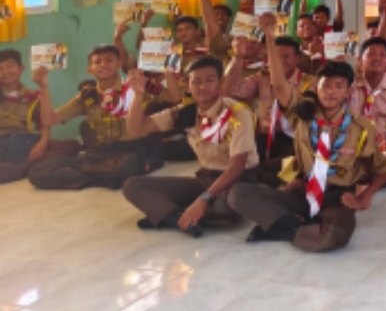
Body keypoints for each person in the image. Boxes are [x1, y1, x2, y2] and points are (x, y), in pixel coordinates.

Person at [227, 23, 386, 252]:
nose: (331, 91)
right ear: (315, 89)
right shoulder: (303, 115)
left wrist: (365, 197)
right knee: (238, 193)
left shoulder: (364, 127)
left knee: (333, 237)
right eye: (325, 85)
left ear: (348, 92)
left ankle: (280, 226)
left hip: (337, 196)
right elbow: (278, 84)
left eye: (338, 86)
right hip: (303, 190)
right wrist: (269, 37)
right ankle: (293, 228)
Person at [121, 57, 258, 236]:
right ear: (188, 85)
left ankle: (167, 214)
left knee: (227, 205)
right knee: (133, 186)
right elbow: (136, 129)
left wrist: (203, 199)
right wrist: (138, 95)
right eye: (196, 81)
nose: (203, 87)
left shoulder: (237, 112)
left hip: (237, 182)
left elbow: (237, 167)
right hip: (205, 179)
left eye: (209, 80)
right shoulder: (185, 111)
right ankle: (180, 219)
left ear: (221, 83)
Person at [29, 45, 164, 190]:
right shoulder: (88, 96)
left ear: (120, 63)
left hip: (131, 150)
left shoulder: (135, 87)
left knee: (124, 168)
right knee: (38, 172)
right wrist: (43, 87)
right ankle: (104, 178)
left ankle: (92, 176)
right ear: (90, 69)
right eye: (97, 62)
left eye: (109, 60)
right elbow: (50, 120)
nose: (103, 65)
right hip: (100, 152)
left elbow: (174, 97)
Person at [224, 34, 314, 175]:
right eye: (276, 57)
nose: (280, 62)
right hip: (264, 137)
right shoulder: (262, 77)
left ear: (297, 59)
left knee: (275, 170)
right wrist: (238, 57)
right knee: (241, 162)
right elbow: (230, 91)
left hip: (295, 140)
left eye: (286, 57)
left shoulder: (310, 83)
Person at [0, 49, 77, 184]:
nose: (5, 72)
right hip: (4, 143)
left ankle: (19, 167)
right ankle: (27, 167)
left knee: (71, 146)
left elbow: (43, 123)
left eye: (9, 66)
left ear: (21, 68)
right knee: (14, 144)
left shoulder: (32, 96)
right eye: (0, 69)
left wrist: (43, 143)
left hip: (24, 142)